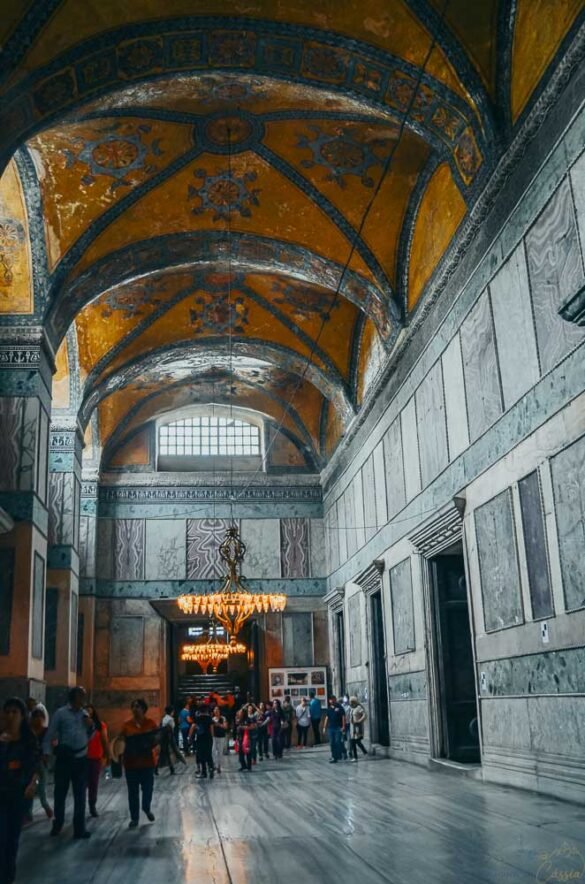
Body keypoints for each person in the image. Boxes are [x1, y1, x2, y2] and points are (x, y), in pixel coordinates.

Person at [43, 685, 93, 839]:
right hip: (65, 759)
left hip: (81, 759)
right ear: (73, 697)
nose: (83, 699)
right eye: (81, 696)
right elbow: (50, 733)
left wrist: (90, 727)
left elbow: (89, 735)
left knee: (80, 795)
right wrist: (46, 753)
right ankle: (58, 824)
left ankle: (79, 828)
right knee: (60, 793)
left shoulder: (85, 714)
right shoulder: (61, 714)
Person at [0, 698, 39, 884]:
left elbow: (33, 768)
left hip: (18, 796)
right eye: (7, 711)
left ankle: (8, 877)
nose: (10, 715)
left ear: (23, 716)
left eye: (15, 712)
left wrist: (33, 783)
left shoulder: (28, 740)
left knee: (11, 840)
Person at [120, 699, 159, 829]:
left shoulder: (150, 723)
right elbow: (121, 742)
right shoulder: (127, 725)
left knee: (148, 788)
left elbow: (156, 739)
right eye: (133, 707)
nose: (135, 709)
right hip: (131, 764)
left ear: (143, 709)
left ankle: (146, 808)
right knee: (133, 792)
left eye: (138, 706)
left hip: (147, 763)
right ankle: (134, 818)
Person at [25, 709, 52, 821]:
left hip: (42, 762)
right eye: (36, 717)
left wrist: (46, 755)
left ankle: (45, 805)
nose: (38, 720)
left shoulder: (46, 731)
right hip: (30, 763)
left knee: (42, 787)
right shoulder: (28, 732)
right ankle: (28, 812)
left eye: (41, 717)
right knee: (30, 786)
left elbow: (50, 745)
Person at [86, 705, 109, 817]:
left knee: (93, 784)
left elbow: (104, 740)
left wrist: (107, 754)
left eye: (89, 710)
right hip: (82, 757)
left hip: (95, 757)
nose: (88, 713)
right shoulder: (80, 725)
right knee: (81, 784)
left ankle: (92, 805)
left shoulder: (100, 725)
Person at [156, 706, 183, 776]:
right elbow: (172, 728)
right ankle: (171, 769)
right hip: (168, 738)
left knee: (164, 754)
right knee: (167, 753)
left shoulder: (164, 718)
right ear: (171, 712)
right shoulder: (171, 719)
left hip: (163, 738)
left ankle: (157, 769)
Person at [323, 696, 345, 764]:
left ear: (335, 700)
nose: (331, 701)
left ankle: (341, 753)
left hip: (338, 727)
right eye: (330, 700)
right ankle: (334, 756)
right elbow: (326, 718)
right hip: (331, 728)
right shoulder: (329, 709)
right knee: (332, 743)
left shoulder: (340, 707)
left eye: (332, 699)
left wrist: (343, 726)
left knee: (337, 742)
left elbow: (343, 717)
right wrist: (324, 727)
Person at [195, 703, 214, 779]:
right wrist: (212, 737)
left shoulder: (197, 718)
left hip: (200, 738)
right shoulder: (209, 718)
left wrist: (190, 737)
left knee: (201, 754)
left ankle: (204, 772)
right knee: (209, 753)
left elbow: (195, 727)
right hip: (208, 738)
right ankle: (211, 768)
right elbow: (211, 729)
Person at [349, 696, 368, 762]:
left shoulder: (359, 707)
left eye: (352, 702)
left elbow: (365, 715)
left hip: (357, 727)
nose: (351, 703)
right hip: (352, 728)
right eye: (350, 702)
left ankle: (356, 756)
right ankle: (363, 753)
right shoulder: (351, 709)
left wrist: (359, 721)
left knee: (355, 742)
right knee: (354, 742)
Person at [211, 706, 228, 774]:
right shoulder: (212, 719)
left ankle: (219, 766)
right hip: (214, 737)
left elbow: (225, 726)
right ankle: (214, 764)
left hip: (221, 737)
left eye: (217, 710)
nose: (216, 711)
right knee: (213, 751)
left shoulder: (223, 718)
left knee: (220, 752)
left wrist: (218, 724)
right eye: (215, 710)